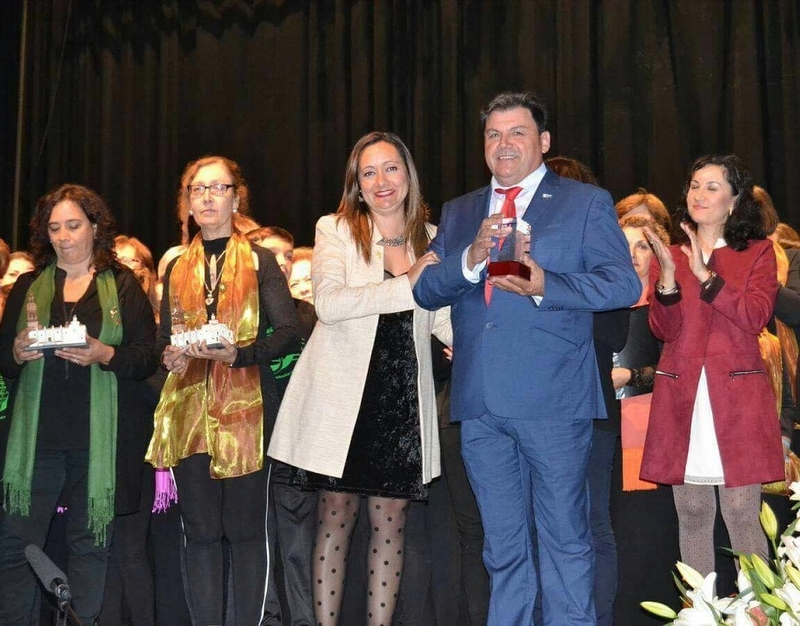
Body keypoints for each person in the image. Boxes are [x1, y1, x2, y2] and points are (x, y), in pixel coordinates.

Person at [412, 91, 641, 625]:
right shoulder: (460, 210)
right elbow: (426, 292)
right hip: (480, 401)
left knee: (565, 539)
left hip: (555, 398)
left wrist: (544, 284)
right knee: (501, 548)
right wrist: (469, 259)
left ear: (542, 141)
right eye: (493, 135)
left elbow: (621, 283)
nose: (504, 144)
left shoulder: (585, 202)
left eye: (516, 133)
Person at [268, 131, 450, 626]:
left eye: (390, 168)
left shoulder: (433, 238)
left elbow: (440, 315)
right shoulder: (336, 229)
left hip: (402, 397)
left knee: (391, 522)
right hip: (343, 399)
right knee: (336, 516)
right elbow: (328, 303)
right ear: (356, 183)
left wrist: (473, 340)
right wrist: (406, 285)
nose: (381, 181)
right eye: (368, 172)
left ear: (408, 175)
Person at [145, 155, 299, 625]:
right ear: (187, 203)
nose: (207, 197)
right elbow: (164, 339)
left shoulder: (259, 259)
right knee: (203, 533)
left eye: (218, 188)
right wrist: (169, 355)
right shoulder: (176, 266)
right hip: (190, 412)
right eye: (198, 189)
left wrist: (241, 355)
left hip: (247, 407)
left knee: (246, 531)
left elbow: (288, 332)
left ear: (236, 198)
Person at [0, 183, 158, 624]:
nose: (64, 237)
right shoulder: (29, 285)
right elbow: (3, 361)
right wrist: (14, 352)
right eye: (54, 228)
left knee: (90, 544)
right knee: (16, 546)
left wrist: (104, 354)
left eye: (73, 225)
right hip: (35, 441)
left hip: (99, 440)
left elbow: (146, 356)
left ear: (95, 227)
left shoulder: (124, 285)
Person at [640, 154, 783, 576]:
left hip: (736, 398)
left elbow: (756, 316)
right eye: (695, 185)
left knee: (741, 513)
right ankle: (699, 612)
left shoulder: (758, 252)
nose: (699, 194)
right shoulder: (668, 254)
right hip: (683, 396)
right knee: (693, 512)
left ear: (735, 201)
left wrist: (705, 275)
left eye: (712, 187)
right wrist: (667, 279)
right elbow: (663, 329)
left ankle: (763, 613)